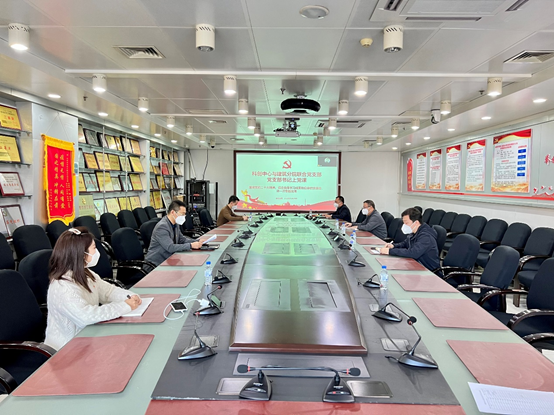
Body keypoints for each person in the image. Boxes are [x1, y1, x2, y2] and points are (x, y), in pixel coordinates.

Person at [45, 227, 141, 350]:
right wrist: (125, 306)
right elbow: (87, 316)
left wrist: (129, 296)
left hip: (89, 337)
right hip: (67, 348)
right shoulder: (63, 287)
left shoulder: (85, 273)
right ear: (81, 254)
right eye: (94, 248)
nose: (97, 252)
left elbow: (108, 291)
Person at [145, 200, 207, 266]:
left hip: (169, 260)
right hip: (155, 264)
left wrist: (198, 241)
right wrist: (191, 245)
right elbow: (170, 247)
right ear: (173, 212)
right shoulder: (162, 227)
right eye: (182, 214)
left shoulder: (175, 224)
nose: (184, 216)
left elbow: (182, 240)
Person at [379, 207, 440, 272]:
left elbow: (413, 253)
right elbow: (405, 243)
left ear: (416, 223)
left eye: (406, 223)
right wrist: (393, 246)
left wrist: (389, 251)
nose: (404, 225)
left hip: (428, 271)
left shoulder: (426, 237)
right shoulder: (415, 231)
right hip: (415, 265)